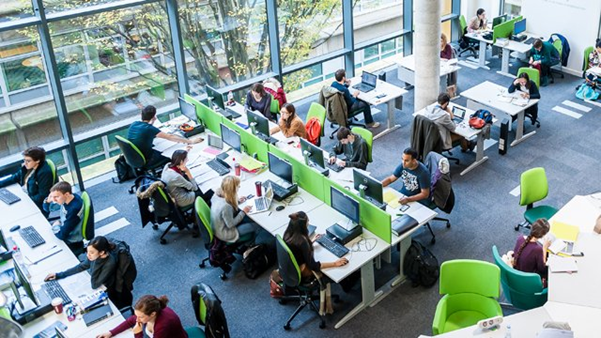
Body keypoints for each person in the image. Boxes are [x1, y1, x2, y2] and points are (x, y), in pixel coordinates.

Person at [44, 236, 132, 308]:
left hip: (106, 287)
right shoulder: (95, 256)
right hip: (97, 281)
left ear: (102, 252)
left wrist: (96, 262)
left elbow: (95, 284)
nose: (88, 255)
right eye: (87, 252)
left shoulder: (110, 263)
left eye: (91, 252)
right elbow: (82, 266)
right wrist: (59, 275)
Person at [127, 105, 201, 170]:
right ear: (154, 117)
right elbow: (170, 137)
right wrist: (191, 141)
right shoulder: (149, 128)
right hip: (148, 159)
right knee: (174, 156)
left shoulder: (134, 124)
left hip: (135, 156)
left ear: (141, 114)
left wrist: (152, 120)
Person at [284, 211, 348, 279]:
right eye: (307, 221)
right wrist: (335, 263)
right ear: (303, 226)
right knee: (336, 272)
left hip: (290, 269)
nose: (308, 224)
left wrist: (311, 242)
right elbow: (313, 266)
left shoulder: (287, 234)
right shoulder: (303, 241)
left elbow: (297, 249)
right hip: (302, 273)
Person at [96, 295, 187, 338]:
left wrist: (137, 334)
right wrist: (111, 333)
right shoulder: (149, 313)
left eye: (141, 317)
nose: (137, 319)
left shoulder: (162, 326)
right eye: (136, 315)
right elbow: (131, 320)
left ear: (152, 314)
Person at [0, 147, 53, 217]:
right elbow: (14, 178)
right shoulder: (28, 167)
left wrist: (26, 198)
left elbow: (42, 196)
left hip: (35, 204)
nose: (25, 163)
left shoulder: (44, 173)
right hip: (25, 195)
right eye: (24, 160)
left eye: (28, 161)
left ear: (37, 161)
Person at [210, 176, 259, 243]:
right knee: (257, 226)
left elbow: (226, 202)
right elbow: (231, 224)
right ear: (232, 190)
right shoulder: (226, 206)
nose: (239, 187)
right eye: (238, 186)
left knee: (248, 219)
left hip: (218, 227)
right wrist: (243, 212)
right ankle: (254, 245)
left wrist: (237, 201)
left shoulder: (217, 194)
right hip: (225, 233)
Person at [42, 181, 85, 253]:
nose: (54, 199)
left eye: (56, 197)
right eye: (52, 196)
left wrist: (55, 226)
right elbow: (49, 209)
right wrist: (47, 201)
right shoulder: (68, 198)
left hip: (71, 239)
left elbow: (62, 235)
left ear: (67, 194)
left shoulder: (73, 210)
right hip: (63, 227)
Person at [512, 219, 550, 285]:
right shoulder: (537, 249)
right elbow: (542, 268)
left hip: (518, 271)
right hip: (529, 279)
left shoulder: (520, 238)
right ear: (543, 235)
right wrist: (544, 248)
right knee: (548, 268)